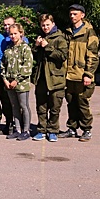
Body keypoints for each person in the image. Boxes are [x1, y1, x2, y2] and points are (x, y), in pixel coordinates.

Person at [59, 4, 99, 142]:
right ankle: (72, 128)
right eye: (70, 14)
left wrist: (88, 74)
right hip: (69, 75)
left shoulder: (89, 32)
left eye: (75, 14)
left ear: (82, 15)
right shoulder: (68, 32)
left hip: (82, 76)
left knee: (83, 104)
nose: (72, 16)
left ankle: (87, 130)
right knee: (71, 103)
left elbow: (93, 56)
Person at [31, 14, 68, 142]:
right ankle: (41, 129)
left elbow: (62, 56)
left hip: (55, 78)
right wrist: (36, 46)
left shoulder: (60, 38)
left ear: (52, 24)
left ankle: (53, 131)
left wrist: (47, 46)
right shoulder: (40, 37)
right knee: (41, 106)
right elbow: (34, 57)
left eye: (47, 24)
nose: (45, 27)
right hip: (41, 77)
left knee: (55, 106)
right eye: (43, 25)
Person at [0, 23, 33, 141]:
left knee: (23, 106)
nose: (13, 36)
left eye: (15, 33)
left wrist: (17, 80)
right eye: (11, 34)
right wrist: (4, 79)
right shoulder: (8, 48)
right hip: (8, 83)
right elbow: (3, 64)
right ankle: (17, 129)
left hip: (21, 83)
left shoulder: (25, 48)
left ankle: (26, 130)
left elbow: (27, 67)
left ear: (21, 34)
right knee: (14, 106)